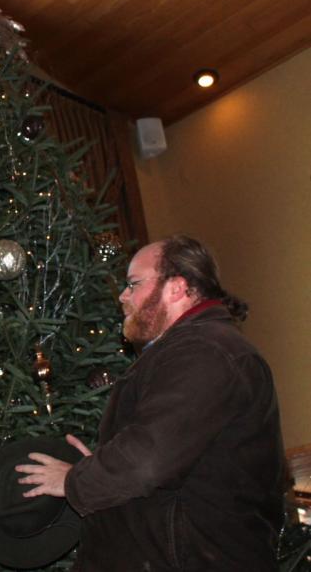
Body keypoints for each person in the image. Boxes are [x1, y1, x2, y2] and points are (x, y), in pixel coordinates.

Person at [15, 235, 285, 570]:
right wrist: (102, 468)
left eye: (133, 284)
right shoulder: (191, 350)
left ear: (177, 287)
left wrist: (74, 481)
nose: (122, 296)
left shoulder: (206, 352)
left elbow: (147, 460)